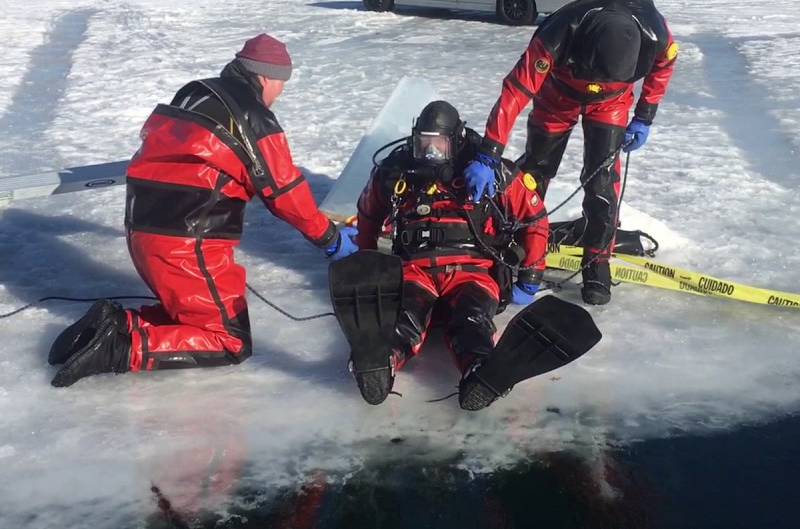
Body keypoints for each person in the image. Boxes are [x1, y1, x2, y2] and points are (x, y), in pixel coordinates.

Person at [48, 33, 358, 387]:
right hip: (189, 244)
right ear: (267, 76)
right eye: (281, 83)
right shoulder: (252, 115)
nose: (280, 93)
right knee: (228, 340)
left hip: (142, 230)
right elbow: (284, 191)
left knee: (192, 317)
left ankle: (117, 322)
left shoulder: (195, 93)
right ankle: (119, 347)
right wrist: (330, 239)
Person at [463, 0, 677, 306]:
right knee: (535, 171)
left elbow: (663, 68)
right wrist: (489, 153)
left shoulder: (656, 36)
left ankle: (597, 263)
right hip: (558, 97)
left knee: (602, 182)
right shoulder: (556, 35)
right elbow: (515, 92)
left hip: (611, 103)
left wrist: (644, 115)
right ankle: (516, 239)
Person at [349, 100, 549, 405]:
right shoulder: (395, 169)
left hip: (472, 270)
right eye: (424, 144)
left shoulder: (492, 171)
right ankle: (380, 361)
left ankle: (480, 371)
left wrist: (531, 275)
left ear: (455, 140)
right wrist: (366, 259)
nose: (430, 152)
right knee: (404, 316)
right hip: (414, 271)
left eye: (438, 144)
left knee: (471, 319)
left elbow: (534, 218)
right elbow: (368, 213)